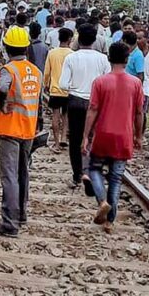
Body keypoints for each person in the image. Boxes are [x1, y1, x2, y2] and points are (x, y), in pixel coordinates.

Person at [0, 27, 42, 237]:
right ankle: (21, 213)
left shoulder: (9, 70)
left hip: (10, 129)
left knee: (9, 176)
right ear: (26, 47)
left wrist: (1, 105)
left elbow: (2, 88)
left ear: (7, 48)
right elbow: (38, 101)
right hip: (28, 129)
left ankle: (9, 222)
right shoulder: (35, 71)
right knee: (23, 172)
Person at [82, 41, 144, 233]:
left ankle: (102, 201)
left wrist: (86, 136)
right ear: (126, 60)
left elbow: (93, 109)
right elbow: (139, 113)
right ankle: (110, 222)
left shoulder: (100, 82)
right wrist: (138, 136)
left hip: (103, 135)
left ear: (109, 58)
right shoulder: (136, 83)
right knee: (116, 179)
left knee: (94, 168)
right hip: (123, 136)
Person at [58, 23, 111, 188]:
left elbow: (63, 84)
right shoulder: (103, 59)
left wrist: (76, 86)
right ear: (94, 40)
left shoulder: (71, 57)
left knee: (75, 139)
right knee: (92, 138)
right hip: (95, 102)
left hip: (75, 101)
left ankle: (77, 174)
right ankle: (91, 172)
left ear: (79, 39)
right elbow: (108, 82)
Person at [44, 27, 74, 151]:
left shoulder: (52, 53)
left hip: (55, 89)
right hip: (68, 90)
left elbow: (46, 72)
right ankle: (63, 139)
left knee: (55, 116)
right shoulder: (72, 54)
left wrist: (46, 84)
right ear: (70, 39)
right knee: (66, 115)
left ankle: (56, 143)